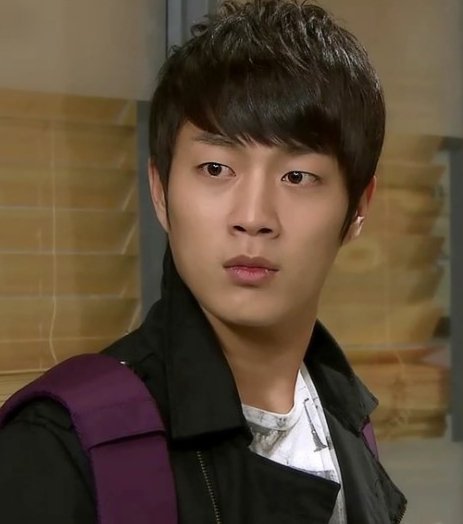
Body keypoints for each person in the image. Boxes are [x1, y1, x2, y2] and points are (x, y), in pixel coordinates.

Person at [0, 1, 407, 522]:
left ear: (358, 208)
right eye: (216, 168)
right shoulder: (63, 447)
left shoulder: (345, 423)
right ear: (160, 190)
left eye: (298, 176)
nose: (253, 217)